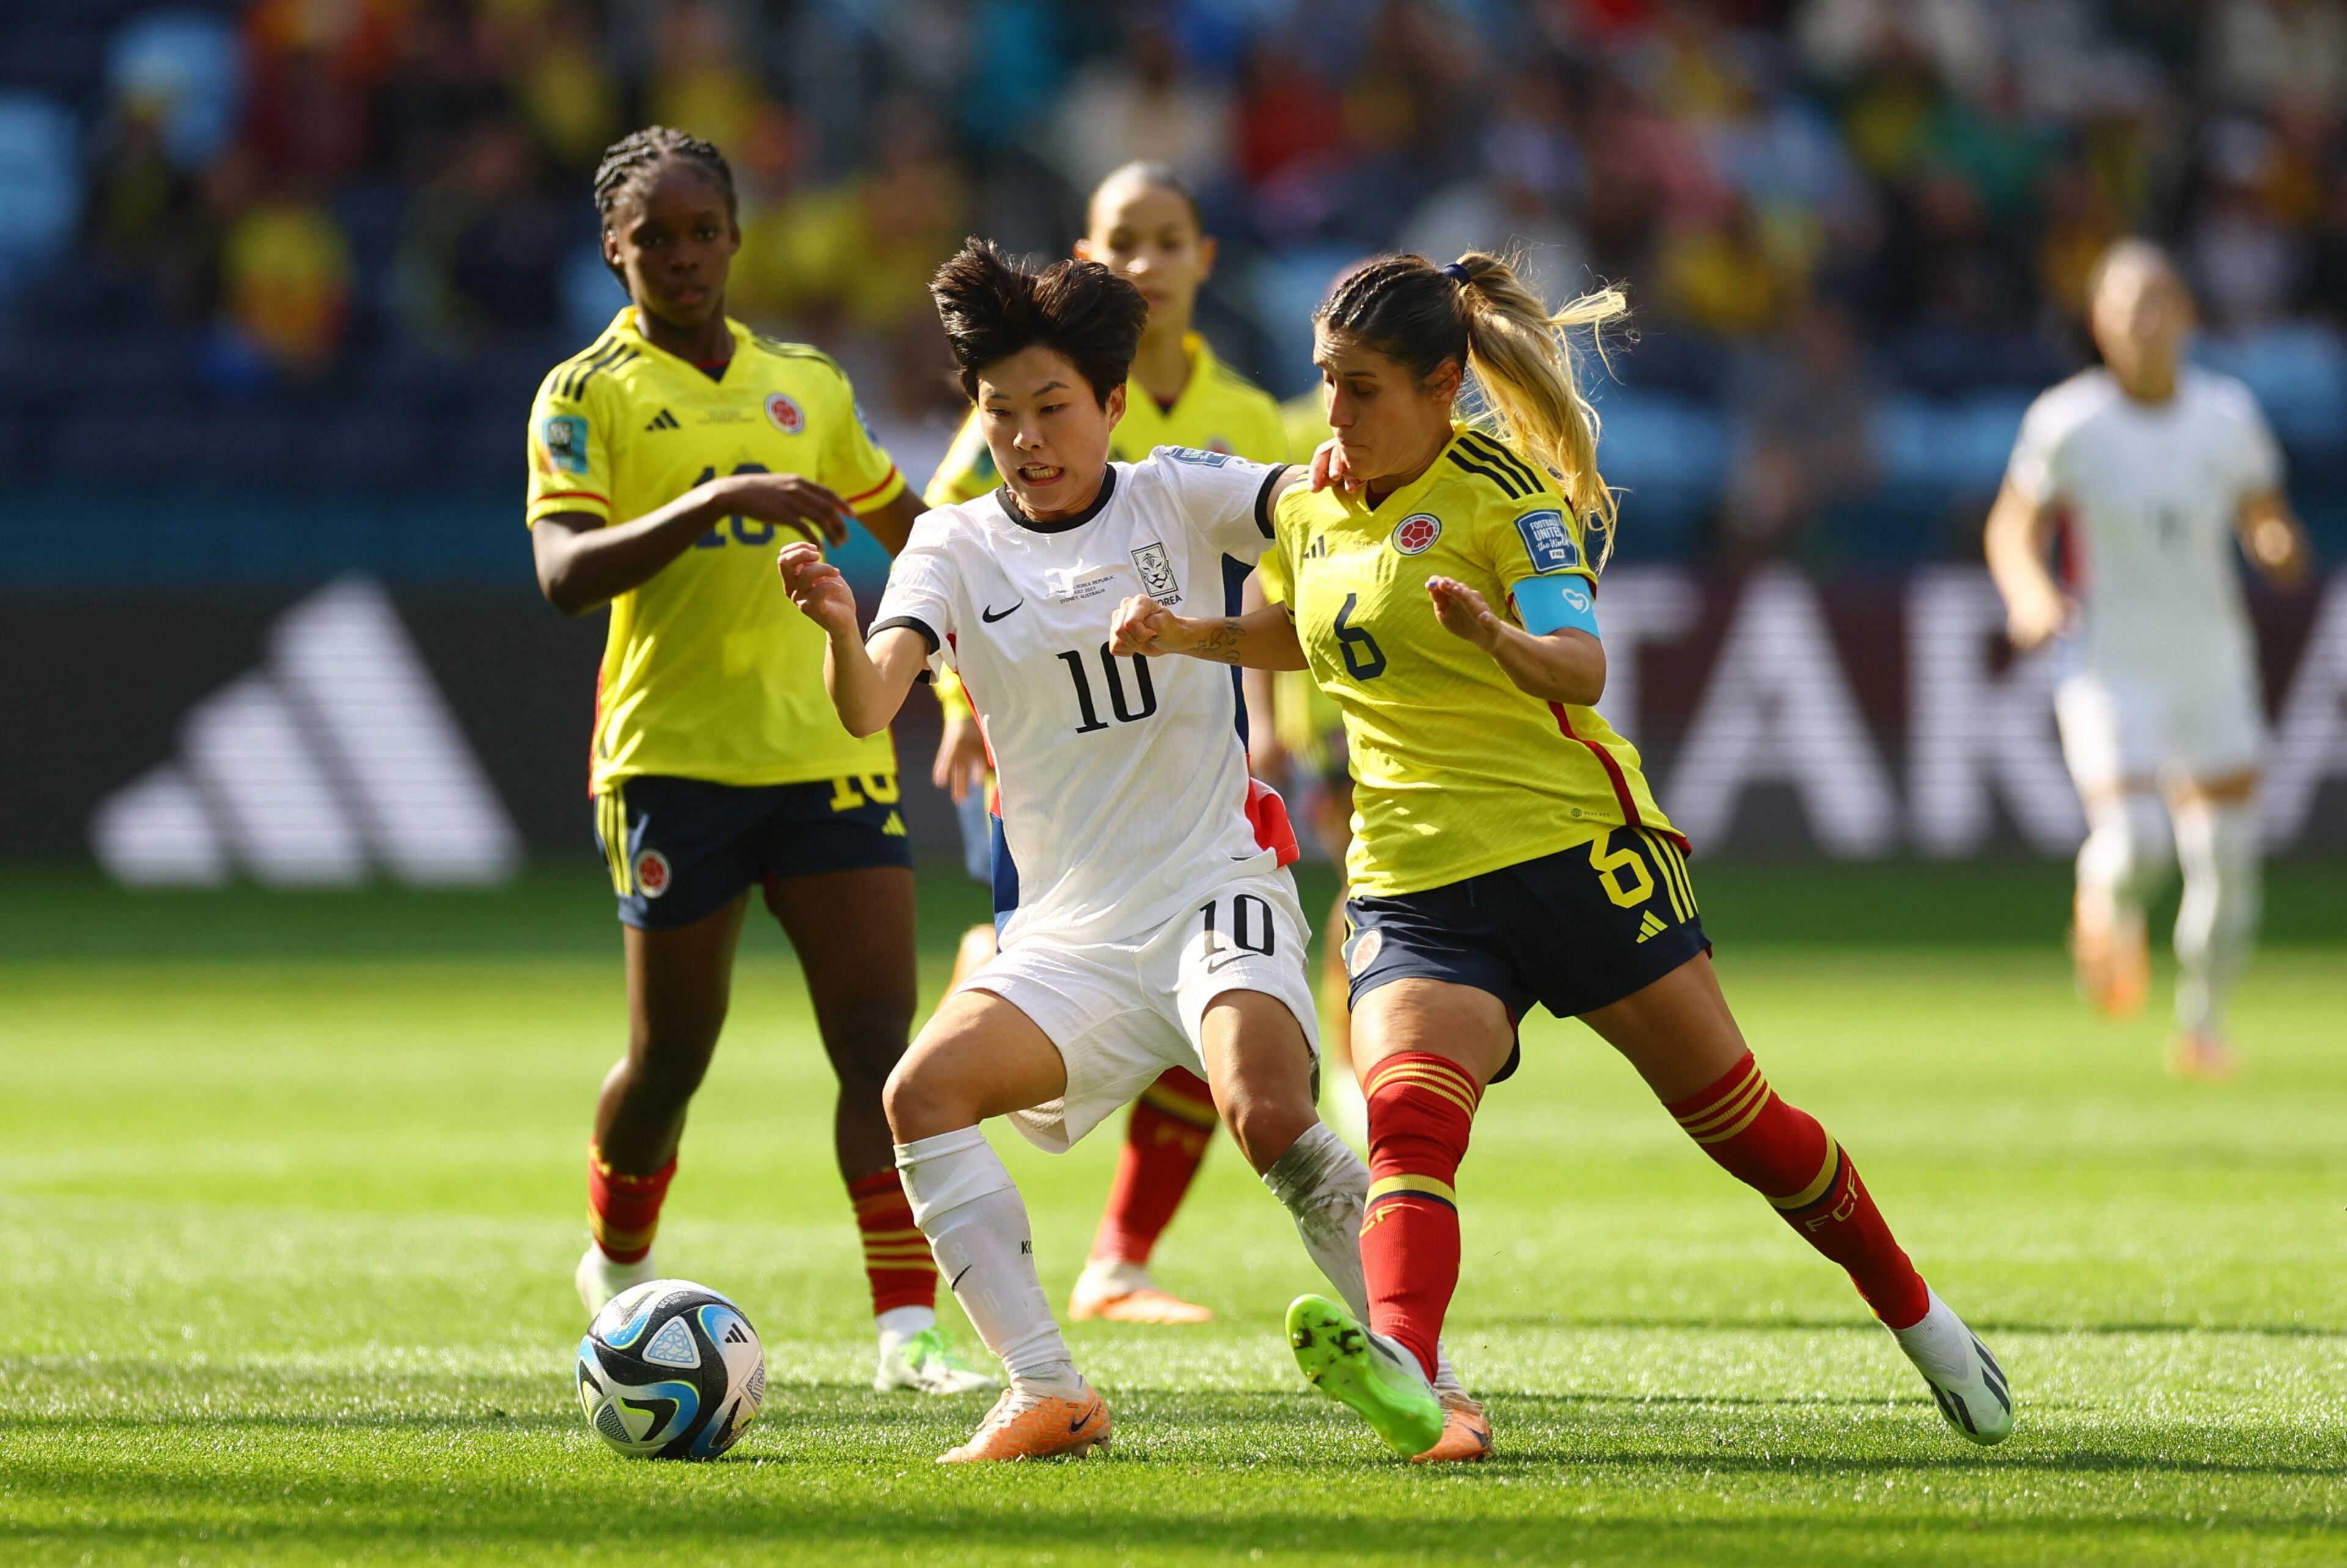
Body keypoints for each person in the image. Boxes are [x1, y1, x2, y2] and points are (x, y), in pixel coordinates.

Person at [1112, 251, 2014, 1460]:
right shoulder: (1313, 498)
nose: (1337, 413)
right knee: (1408, 1125)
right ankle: (1411, 1370)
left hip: (1572, 852)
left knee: (1746, 1127)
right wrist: (1192, 634)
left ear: (1444, 385)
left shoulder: (1510, 498)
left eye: (1365, 386)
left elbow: (1581, 664)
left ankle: (1922, 1317)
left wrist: (1497, 636)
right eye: (1328, 381)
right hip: (1415, 878)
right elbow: (1325, 635)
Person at [777, 239, 1477, 1464]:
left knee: (1268, 1112)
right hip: (1069, 937)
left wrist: (1347, 483)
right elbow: (865, 706)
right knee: (920, 1094)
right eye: (1002, 414)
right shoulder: (949, 545)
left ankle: (1432, 1384)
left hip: (1214, 886)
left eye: (1055, 408)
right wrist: (843, 621)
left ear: (1111, 402)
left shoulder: (1179, 491)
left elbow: (1316, 505)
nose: (1029, 438)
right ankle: (1048, 1387)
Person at [523, 126, 990, 1398]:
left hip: (826, 754)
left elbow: (918, 531)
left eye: (702, 230)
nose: (681, 255)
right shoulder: (585, 394)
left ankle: (907, 1329)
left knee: (879, 1048)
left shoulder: (807, 385)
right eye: (653, 237)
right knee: (673, 1057)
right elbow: (566, 574)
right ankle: (617, 1267)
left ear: (737, 235)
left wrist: (975, 652)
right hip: (673, 762)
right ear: (614, 249)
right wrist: (717, 502)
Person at [924, 162, 1293, 1326]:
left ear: (1203, 259)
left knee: (1215, 1006)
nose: (1145, 261)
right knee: (1110, 977)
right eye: (1120, 241)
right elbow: (949, 567)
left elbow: (1298, 577)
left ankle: (1120, 1259)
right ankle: (996, 960)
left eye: (1167, 239)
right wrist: (955, 713)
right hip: (1051, 763)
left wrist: (1278, 728)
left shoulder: (1247, 416)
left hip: (1197, 747)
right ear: (1087, 258)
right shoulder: (1021, 410)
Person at [1986, 240, 2308, 1080]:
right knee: (2137, 844)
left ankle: (2202, 1027)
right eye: (2128, 308)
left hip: (2210, 658)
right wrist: (2028, 595)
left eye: (2161, 303)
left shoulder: (2228, 415)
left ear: (2188, 316)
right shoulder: (2069, 422)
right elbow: (2012, 525)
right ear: (2099, 322)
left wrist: (2274, 542)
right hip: (2108, 663)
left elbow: (2264, 516)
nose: (2146, 323)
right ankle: (2104, 906)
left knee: (2228, 858)